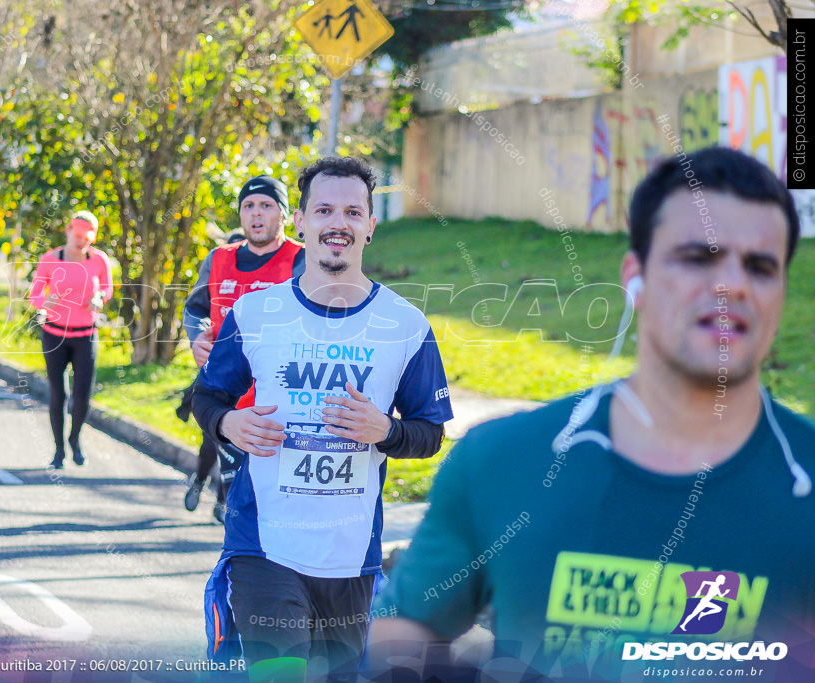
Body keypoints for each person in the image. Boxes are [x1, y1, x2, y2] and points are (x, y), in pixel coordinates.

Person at [367, 147, 815, 682]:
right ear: (635, 277)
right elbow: (405, 632)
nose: (732, 285)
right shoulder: (501, 463)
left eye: (760, 267)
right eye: (699, 258)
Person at [194, 157, 453, 681]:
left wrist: (387, 431)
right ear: (304, 222)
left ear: (370, 226)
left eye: (353, 211)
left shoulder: (405, 325)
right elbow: (208, 396)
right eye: (325, 209)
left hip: (351, 557)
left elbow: (430, 433)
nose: (339, 222)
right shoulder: (256, 314)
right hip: (263, 545)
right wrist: (228, 425)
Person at [181, 176, 304, 523]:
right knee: (238, 505)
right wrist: (197, 338)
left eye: (266, 205)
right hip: (225, 396)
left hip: (278, 398)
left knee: (273, 502)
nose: (256, 214)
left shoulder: (301, 259)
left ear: (283, 214)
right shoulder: (219, 259)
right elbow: (194, 308)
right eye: (248, 206)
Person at [28, 210, 113, 469]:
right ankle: (59, 450)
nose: (81, 242)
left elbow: (107, 288)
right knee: (59, 394)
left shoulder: (99, 260)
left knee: (83, 397)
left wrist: (99, 299)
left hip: (85, 335)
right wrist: (46, 301)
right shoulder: (50, 260)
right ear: (68, 230)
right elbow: (34, 296)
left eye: (86, 238)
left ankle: (75, 439)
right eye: (77, 236)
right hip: (55, 334)